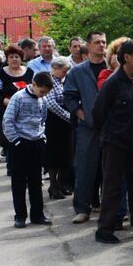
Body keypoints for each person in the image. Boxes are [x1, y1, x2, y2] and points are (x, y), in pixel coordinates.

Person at [90, 40, 133, 245]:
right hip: (115, 142)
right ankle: (105, 229)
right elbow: (98, 113)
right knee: (112, 187)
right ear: (126, 57)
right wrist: (109, 136)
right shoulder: (112, 83)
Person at [2, 71, 67, 228]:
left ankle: (37, 214)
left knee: (36, 181)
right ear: (34, 84)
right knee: (18, 182)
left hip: (36, 143)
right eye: (42, 91)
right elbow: (8, 121)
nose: (43, 95)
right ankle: (20, 216)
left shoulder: (42, 99)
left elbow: (42, 119)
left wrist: (42, 137)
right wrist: (16, 140)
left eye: (46, 92)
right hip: (19, 144)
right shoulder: (18, 97)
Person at [65, 31, 108, 220]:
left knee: (111, 170)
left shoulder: (114, 68)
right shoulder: (77, 71)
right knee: (84, 168)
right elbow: (69, 96)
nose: (101, 46)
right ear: (88, 46)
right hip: (88, 127)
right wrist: (80, 113)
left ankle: (112, 209)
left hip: (112, 127)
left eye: (104, 42)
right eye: (97, 42)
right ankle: (82, 209)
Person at [43, 56, 74, 199]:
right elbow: (51, 104)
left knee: (65, 155)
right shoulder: (49, 81)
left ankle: (61, 184)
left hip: (63, 124)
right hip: (54, 123)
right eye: (64, 71)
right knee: (54, 155)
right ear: (56, 68)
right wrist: (68, 116)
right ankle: (53, 186)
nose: (65, 74)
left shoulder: (61, 81)